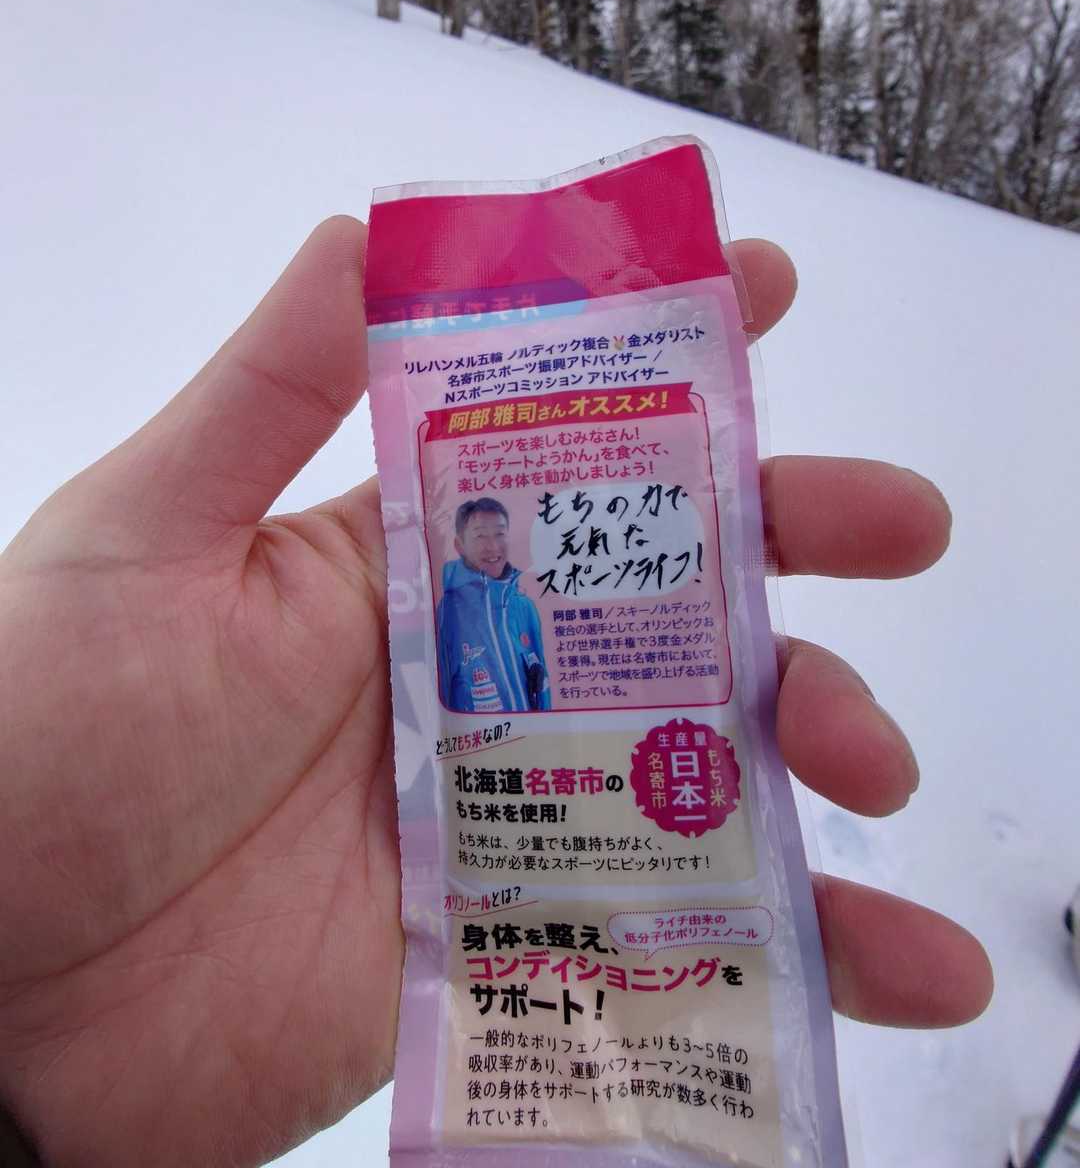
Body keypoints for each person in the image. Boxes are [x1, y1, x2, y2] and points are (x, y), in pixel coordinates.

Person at [0, 218, 994, 1168]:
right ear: (460, 539)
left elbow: (538, 673)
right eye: (473, 531)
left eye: (494, 533)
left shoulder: (520, 601)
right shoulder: (443, 596)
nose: (486, 542)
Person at [436, 497, 551, 713]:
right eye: (480, 536)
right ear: (460, 545)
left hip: (531, 731)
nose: (493, 546)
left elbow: (541, 681)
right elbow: (441, 689)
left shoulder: (524, 606)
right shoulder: (448, 610)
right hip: (482, 733)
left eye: (500, 534)